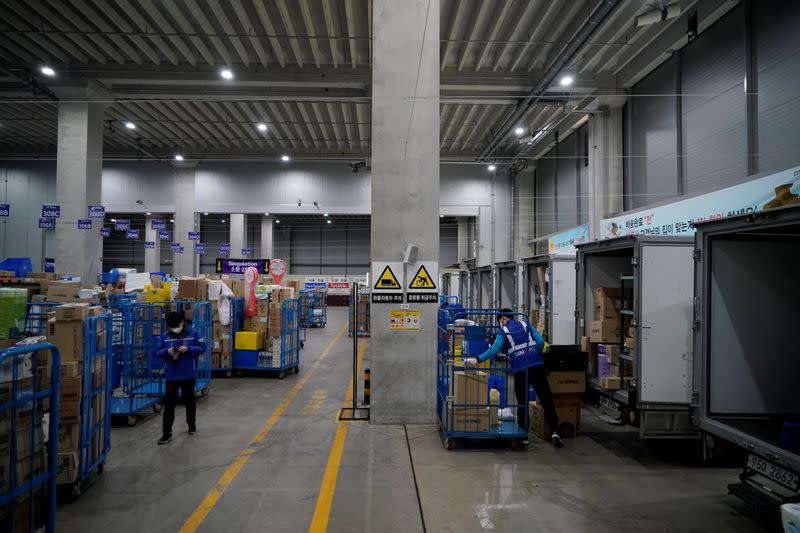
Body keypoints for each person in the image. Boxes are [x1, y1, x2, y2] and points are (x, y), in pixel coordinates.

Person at [467, 309, 562, 448]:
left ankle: (523, 436)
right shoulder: (525, 324)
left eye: (500, 320)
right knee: (546, 398)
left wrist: (478, 359)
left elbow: (495, 349)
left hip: (520, 369)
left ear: (503, 318)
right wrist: (535, 353)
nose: (500, 323)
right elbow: (540, 341)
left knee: (522, 402)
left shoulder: (503, 331)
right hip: (536, 365)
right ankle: (555, 431)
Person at [155, 311, 206, 445]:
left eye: (176, 325)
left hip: (188, 374)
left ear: (182, 322)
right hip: (171, 375)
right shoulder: (165, 336)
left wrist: (188, 350)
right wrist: (167, 352)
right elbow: (157, 351)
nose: (174, 328)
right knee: (169, 405)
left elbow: (202, 348)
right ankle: (166, 433)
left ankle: (191, 424)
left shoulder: (193, 334)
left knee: (189, 401)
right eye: (171, 326)